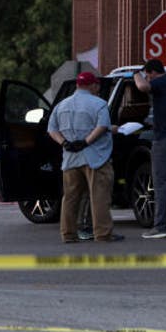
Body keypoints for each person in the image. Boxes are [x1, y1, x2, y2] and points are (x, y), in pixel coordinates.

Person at [47, 71, 123, 243]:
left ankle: (68, 234)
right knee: (99, 196)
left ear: (77, 85)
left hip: (70, 158)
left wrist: (64, 143)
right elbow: (102, 126)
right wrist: (85, 142)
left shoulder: (61, 105)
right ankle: (103, 233)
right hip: (95, 157)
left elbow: (52, 129)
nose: (98, 88)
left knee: (70, 197)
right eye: (97, 85)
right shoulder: (99, 104)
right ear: (92, 85)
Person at [133, 59, 166, 239]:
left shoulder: (159, 82)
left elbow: (142, 87)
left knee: (161, 183)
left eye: (148, 75)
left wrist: (135, 74)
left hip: (164, 139)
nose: (147, 78)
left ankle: (159, 227)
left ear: (152, 72)